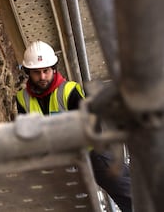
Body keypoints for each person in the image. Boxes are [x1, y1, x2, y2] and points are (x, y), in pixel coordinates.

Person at [16, 40, 132, 212]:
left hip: (91, 152)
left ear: (53, 69)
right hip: (55, 158)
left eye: (46, 71)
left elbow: (93, 125)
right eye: (36, 72)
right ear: (28, 72)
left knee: (123, 188)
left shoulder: (69, 90)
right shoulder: (22, 98)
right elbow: (25, 134)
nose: (42, 77)